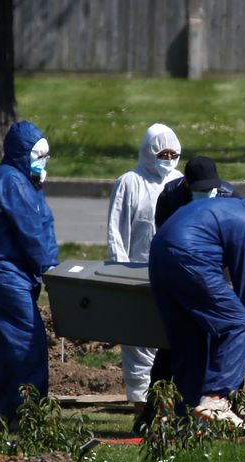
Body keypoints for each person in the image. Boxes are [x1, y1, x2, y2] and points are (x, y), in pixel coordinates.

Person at [148, 192, 245, 427]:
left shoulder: (222, 206)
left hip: (159, 255)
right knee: (238, 324)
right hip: (189, 256)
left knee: (191, 334)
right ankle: (215, 399)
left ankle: (186, 412)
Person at [132, 156, 238, 434]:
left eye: (211, 187)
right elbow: (167, 242)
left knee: (220, 348)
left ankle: (226, 409)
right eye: (201, 188)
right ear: (188, 184)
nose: (208, 193)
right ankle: (152, 412)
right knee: (170, 346)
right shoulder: (169, 198)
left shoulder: (228, 195)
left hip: (215, 278)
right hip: (179, 279)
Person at [0, 121, 58, 424]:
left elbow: (43, 225)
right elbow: (31, 232)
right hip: (0, 272)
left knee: (7, 343)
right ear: (22, 154)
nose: (43, 163)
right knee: (27, 342)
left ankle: (0, 412)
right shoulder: (13, 181)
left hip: (7, 271)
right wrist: (50, 269)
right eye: (37, 156)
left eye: (46, 156)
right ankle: (26, 414)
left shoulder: (26, 182)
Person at [107, 123, 182, 413]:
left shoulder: (179, 181)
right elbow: (117, 230)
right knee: (138, 342)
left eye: (173, 153)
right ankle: (142, 408)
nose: (167, 159)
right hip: (137, 274)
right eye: (162, 153)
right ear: (149, 152)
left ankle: (167, 405)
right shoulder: (129, 182)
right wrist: (119, 272)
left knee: (168, 340)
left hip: (173, 276)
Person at [154, 155, 239, 229]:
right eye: (201, 190)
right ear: (186, 183)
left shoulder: (230, 196)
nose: (207, 193)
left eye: (210, 189)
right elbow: (163, 230)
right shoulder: (169, 196)